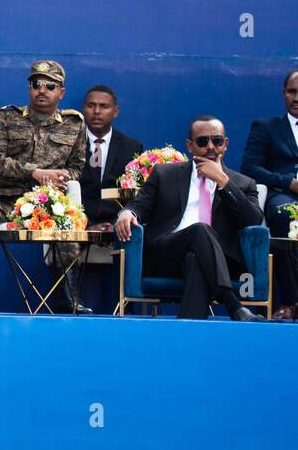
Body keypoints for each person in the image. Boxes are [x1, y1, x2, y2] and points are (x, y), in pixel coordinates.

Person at [115, 116, 263, 321]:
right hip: (167, 253)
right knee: (199, 229)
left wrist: (222, 180)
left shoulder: (243, 183)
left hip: (217, 259)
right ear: (190, 146)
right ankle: (232, 303)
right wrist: (127, 213)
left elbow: (252, 220)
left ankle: (186, 334)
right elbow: (140, 206)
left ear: (226, 144)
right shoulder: (165, 174)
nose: (211, 147)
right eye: (203, 142)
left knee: (195, 260)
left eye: (217, 141)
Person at [0, 60, 89, 312]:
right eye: (37, 84)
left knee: (68, 223)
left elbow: (77, 167)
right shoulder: (6, 117)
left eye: (50, 85)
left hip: (47, 201)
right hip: (2, 196)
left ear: (62, 92)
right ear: (29, 88)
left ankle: (69, 299)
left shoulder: (74, 124)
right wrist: (34, 172)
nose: (42, 90)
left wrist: (60, 178)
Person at [241, 69, 298, 319]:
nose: (297, 97)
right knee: (285, 216)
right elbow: (250, 168)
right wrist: (289, 183)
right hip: (284, 194)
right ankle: (291, 301)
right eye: (292, 91)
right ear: (283, 94)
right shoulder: (266, 127)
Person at [78, 85, 144, 228]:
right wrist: (86, 226)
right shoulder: (69, 145)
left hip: (118, 229)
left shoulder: (132, 148)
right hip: (78, 229)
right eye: (91, 106)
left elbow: (136, 197)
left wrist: (116, 224)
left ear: (115, 112)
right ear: (84, 109)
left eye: (104, 106)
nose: (96, 111)